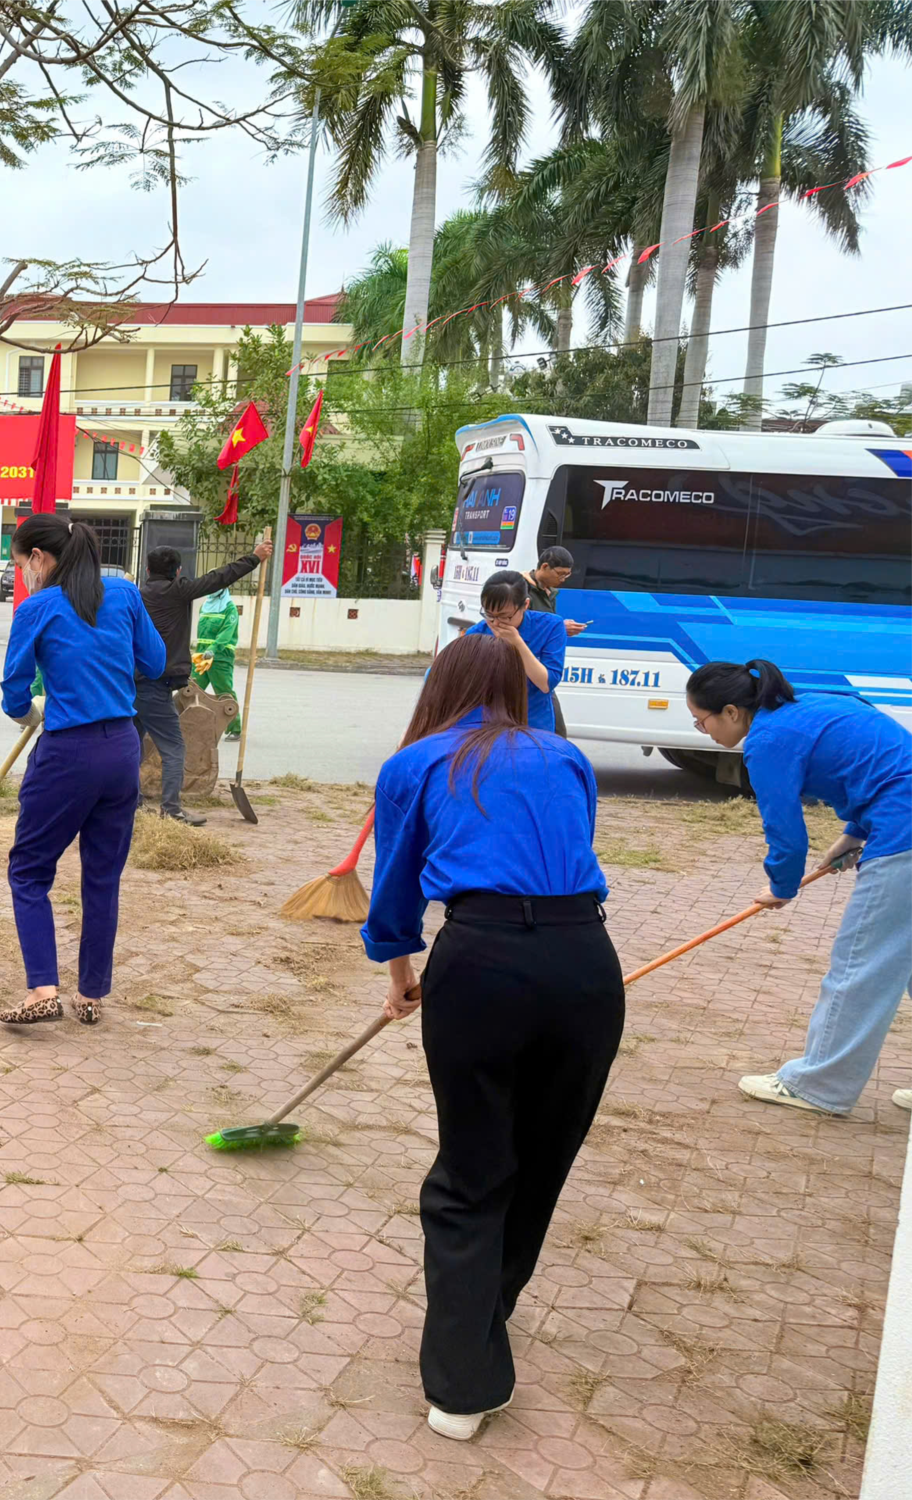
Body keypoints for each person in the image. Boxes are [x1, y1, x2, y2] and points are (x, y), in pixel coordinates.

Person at [361, 632, 618, 1441]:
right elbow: (569, 851)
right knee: (543, 1159)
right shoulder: (564, 756)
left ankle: (462, 1383)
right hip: (586, 964)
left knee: (473, 1169)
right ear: (514, 687)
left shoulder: (415, 763)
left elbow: (395, 894)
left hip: (480, 963)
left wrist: (401, 976)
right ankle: (484, 1315)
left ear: (438, 686)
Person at [685, 659, 912, 1115]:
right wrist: (855, 833)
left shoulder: (767, 740)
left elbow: (786, 833)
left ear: (731, 712)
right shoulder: (812, 705)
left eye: (700, 720)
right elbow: (883, 765)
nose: (700, 730)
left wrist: (783, 886)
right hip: (895, 817)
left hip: (903, 832)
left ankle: (819, 1086)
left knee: (859, 963)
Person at [0, 514, 166, 1027]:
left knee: (29, 871)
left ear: (39, 558)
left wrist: (34, 711)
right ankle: (90, 994)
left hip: (68, 755)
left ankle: (42, 990)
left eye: (20, 564)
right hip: (122, 750)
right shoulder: (125, 594)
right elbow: (155, 663)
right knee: (102, 876)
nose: (22, 575)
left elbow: (13, 695)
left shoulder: (37, 609)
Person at [135, 540, 272, 825]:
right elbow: (219, 577)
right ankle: (171, 810)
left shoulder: (136, 595)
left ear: (147, 570)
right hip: (156, 685)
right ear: (178, 571)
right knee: (174, 748)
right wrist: (255, 558)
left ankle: (132, 803)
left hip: (130, 683)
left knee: (132, 745)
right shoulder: (178, 591)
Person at [464, 571, 565, 734]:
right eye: (489, 615)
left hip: (533, 723)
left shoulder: (550, 626)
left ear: (525, 605)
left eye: (505, 616)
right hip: (488, 724)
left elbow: (547, 684)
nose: (496, 623)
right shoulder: (476, 633)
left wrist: (517, 643)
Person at [524, 547, 587, 738]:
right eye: (560, 574)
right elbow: (519, 627)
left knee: (556, 731)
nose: (563, 579)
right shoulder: (521, 588)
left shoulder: (550, 593)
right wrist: (558, 627)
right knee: (552, 733)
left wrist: (560, 630)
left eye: (567, 575)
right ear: (544, 566)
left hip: (542, 672)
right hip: (525, 671)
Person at [192, 588, 242, 737]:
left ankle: (235, 728)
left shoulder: (230, 608)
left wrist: (213, 649)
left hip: (220, 657)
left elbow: (226, 633)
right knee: (192, 689)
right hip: (202, 655)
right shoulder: (205, 605)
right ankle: (186, 723)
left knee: (224, 692)